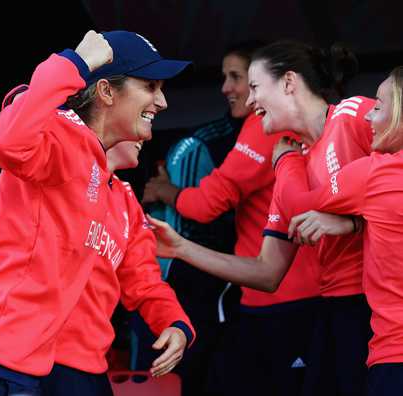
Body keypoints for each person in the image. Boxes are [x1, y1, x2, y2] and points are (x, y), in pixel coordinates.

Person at [0, 30, 191, 395]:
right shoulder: (59, 131)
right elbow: (5, 143)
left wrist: (174, 321)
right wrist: (75, 62)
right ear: (107, 92)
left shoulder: (109, 180)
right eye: (149, 86)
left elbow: (142, 280)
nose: (161, 101)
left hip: (27, 368)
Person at [149, 40, 376, 396]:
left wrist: (353, 223)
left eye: (254, 86)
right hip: (334, 311)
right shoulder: (292, 164)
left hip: (378, 308)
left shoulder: (354, 115)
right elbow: (267, 272)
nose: (249, 100)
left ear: (288, 83)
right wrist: (179, 248)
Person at [0, 138, 195, 396]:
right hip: (19, 358)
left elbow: (145, 282)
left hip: (84, 367)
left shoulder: (127, 202)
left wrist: (175, 323)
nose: (146, 136)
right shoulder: (51, 171)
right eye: (138, 120)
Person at [272, 66, 403, 396]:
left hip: (394, 352)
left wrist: (286, 160)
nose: (369, 117)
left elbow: (297, 206)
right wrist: (356, 221)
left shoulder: (376, 173)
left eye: (378, 106)